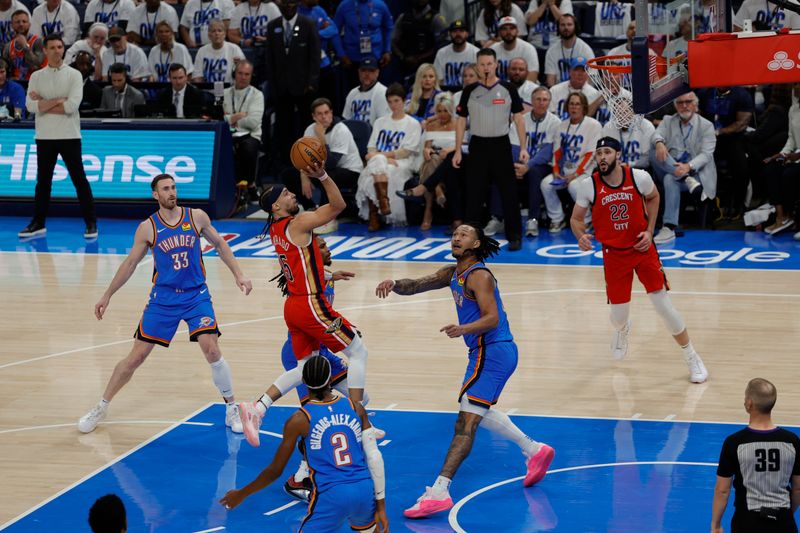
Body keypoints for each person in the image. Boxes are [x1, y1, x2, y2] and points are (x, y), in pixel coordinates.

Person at [375, 223, 555, 518]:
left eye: (464, 234)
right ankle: (534, 450)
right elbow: (418, 284)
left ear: (475, 243)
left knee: (465, 423)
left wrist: (463, 328)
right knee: (475, 411)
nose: (457, 237)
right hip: (485, 352)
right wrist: (395, 283)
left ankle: (439, 491)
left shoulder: (480, 275)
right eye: (455, 233)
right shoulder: (451, 273)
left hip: (494, 351)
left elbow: (492, 318)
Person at [77, 173, 253, 434]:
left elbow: (220, 244)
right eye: (165, 189)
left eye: (173, 187)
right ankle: (101, 406)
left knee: (211, 349)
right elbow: (129, 265)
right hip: (164, 299)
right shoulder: (147, 227)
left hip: (196, 295)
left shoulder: (196, 217)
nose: (171, 192)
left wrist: (238, 273)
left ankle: (230, 407)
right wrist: (107, 295)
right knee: (136, 356)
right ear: (155, 195)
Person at [238, 162, 372, 448]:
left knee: (305, 368)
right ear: (276, 206)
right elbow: (338, 205)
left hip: (295, 306)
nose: (292, 195)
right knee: (359, 351)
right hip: (311, 305)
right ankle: (359, 416)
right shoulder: (297, 223)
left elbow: (301, 265)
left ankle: (258, 407)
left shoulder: (276, 229)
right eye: (286, 194)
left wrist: (327, 274)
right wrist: (321, 175)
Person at [569, 136, 709, 382]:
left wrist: (650, 230)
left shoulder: (638, 177)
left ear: (618, 155)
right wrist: (581, 236)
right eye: (599, 153)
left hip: (643, 250)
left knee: (663, 306)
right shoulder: (588, 185)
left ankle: (692, 356)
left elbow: (654, 197)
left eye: (607, 152)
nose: (602, 157)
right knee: (618, 317)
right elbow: (576, 219)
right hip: (613, 255)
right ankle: (623, 330)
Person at [221, 355, 389, 533]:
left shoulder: (299, 420)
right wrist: (381, 506)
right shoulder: (356, 407)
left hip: (331, 496)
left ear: (303, 382)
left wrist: (242, 494)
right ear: (331, 379)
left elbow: (275, 471)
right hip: (363, 491)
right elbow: (374, 458)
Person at [19, 34, 97, 239]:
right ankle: (38, 223)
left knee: (79, 179)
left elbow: (71, 107)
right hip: (44, 136)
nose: (56, 51)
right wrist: (57, 101)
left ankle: (91, 223)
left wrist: (44, 103)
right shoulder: (36, 76)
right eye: (52, 47)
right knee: (42, 182)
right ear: (44, 50)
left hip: (69, 135)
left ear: (63, 49)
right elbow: (30, 106)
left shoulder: (74, 75)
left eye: (60, 47)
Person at [454, 47, 529, 251]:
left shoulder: (507, 88)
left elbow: (519, 119)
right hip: (477, 145)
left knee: (509, 192)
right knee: (474, 194)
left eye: (489, 64)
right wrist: (458, 149)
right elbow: (461, 121)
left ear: (496, 64)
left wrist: (523, 147)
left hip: (500, 144)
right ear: (477, 66)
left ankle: (514, 236)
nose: (486, 68)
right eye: (482, 64)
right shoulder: (469, 91)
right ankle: (470, 239)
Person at [712, 378, 800, 533]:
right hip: (783, 522)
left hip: (747, 522)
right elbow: (798, 488)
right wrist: (787, 514)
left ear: (749, 403)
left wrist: (716, 525)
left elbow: (722, 490)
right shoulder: (792, 441)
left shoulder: (734, 442)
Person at [283, 97, 363, 231]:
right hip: (323, 169)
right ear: (313, 116)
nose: (324, 117)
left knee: (326, 175)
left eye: (326, 112)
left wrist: (321, 138)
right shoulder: (309, 130)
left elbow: (331, 163)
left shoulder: (341, 130)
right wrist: (303, 175)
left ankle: (326, 217)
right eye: (319, 114)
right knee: (288, 174)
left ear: (331, 113)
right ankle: (310, 207)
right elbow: (303, 160)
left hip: (350, 171)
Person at [651, 92, 716, 243]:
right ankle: (685, 178)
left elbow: (706, 155)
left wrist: (688, 167)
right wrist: (660, 143)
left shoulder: (707, 126)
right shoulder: (668, 121)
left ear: (695, 105)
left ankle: (669, 227)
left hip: (698, 175)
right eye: (680, 102)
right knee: (654, 151)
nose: (684, 105)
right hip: (675, 169)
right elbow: (656, 135)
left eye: (688, 101)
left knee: (669, 178)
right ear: (675, 106)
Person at [357, 82, 422, 230]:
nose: (393, 105)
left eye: (396, 101)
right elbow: (371, 147)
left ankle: (375, 215)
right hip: (382, 161)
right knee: (378, 165)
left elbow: (407, 151)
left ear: (404, 101)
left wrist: (381, 156)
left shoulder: (412, 123)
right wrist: (382, 157)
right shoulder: (380, 122)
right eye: (390, 101)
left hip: (403, 162)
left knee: (377, 169)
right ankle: (383, 204)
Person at [265, 0, 320, 166]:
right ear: (280, 6)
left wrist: (311, 82)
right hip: (281, 88)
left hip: (303, 87)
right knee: (284, 128)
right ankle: (286, 163)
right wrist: (273, 84)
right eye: (285, 4)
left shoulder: (308, 24)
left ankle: (307, 160)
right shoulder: (272, 26)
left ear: (296, 5)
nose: (288, 7)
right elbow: (269, 58)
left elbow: (315, 56)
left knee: (306, 126)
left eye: (291, 4)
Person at [541, 91, 602, 234]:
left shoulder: (593, 125)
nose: (574, 107)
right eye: (571, 104)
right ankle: (557, 219)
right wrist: (556, 173)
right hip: (564, 172)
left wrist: (575, 175)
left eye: (577, 104)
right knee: (546, 184)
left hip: (584, 172)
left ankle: (587, 221)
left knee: (574, 187)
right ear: (567, 107)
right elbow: (556, 153)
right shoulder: (561, 126)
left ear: (584, 107)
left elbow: (590, 154)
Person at [223, 59, 264, 201]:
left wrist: (231, 119)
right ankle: (229, 187)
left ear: (251, 76)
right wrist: (238, 116)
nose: (243, 77)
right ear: (235, 74)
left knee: (247, 147)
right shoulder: (225, 93)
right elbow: (219, 119)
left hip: (251, 136)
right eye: (240, 73)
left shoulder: (257, 95)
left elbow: (253, 122)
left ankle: (250, 184)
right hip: (227, 135)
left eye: (247, 74)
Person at [334, 0, 393, 87]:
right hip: (351, 59)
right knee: (354, 91)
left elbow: (389, 27)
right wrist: (341, 54)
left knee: (377, 90)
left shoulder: (380, 5)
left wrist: (387, 50)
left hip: (376, 57)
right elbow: (334, 31)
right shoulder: (344, 6)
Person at [391, 0, 448, 79]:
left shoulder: (436, 18)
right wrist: (403, 57)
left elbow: (442, 45)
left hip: (430, 66)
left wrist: (419, 58)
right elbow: (393, 42)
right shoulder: (403, 18)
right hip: (406, 66)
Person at [543, 14, 594, 87]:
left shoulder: (585, 49)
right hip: (559, 90)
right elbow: (550, 81)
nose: (566, 28)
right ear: (558, 27)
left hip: (581, 91)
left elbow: (591, 78)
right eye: (562, 25)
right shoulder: (551, 51)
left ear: (575, 27)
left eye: (569, 24)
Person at [192, 18, 244, 83]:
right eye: (213, 31)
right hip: (207, 90)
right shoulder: (202, 51)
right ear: (209, 35)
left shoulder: (234, 49)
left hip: (229, 91)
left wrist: (238, 66)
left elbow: (244, 74)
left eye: (219, 31)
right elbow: (197, 76)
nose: (217, 33)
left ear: (225, 34)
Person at [341, 55, 389, 125]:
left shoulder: (383, 92)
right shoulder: (352, 93)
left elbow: (383, 123)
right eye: (363, 70)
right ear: (359, 72)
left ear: (377, 73)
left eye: (371, 71)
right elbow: (346, 120)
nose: (367, 74)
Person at [433, 19, 478, 93]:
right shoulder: (441, 53)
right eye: (454, 31)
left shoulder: (476, 52)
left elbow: (480, 79)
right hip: (446, 93)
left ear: (467, 34)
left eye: (461, 31)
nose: (458, 34)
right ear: (449, 34)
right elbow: (438, 80)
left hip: (469, 92)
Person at [489, 16, 539, 82]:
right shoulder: (493, 49)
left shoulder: (528, 49)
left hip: (524, 89)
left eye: (512, 28)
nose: (508, 32)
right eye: (504, 29)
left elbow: (532, 77)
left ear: (517, 31)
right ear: (499, 32)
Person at [3, 9, 44, 81]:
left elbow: (37, 65)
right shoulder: (8, 46)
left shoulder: (38, 42)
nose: (21, 24)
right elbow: (4, 69)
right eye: (17, 22)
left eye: (24, 21)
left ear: (29, 24)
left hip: (35, 82)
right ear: (12, 25)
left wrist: (25, 46)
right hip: (15, 84)